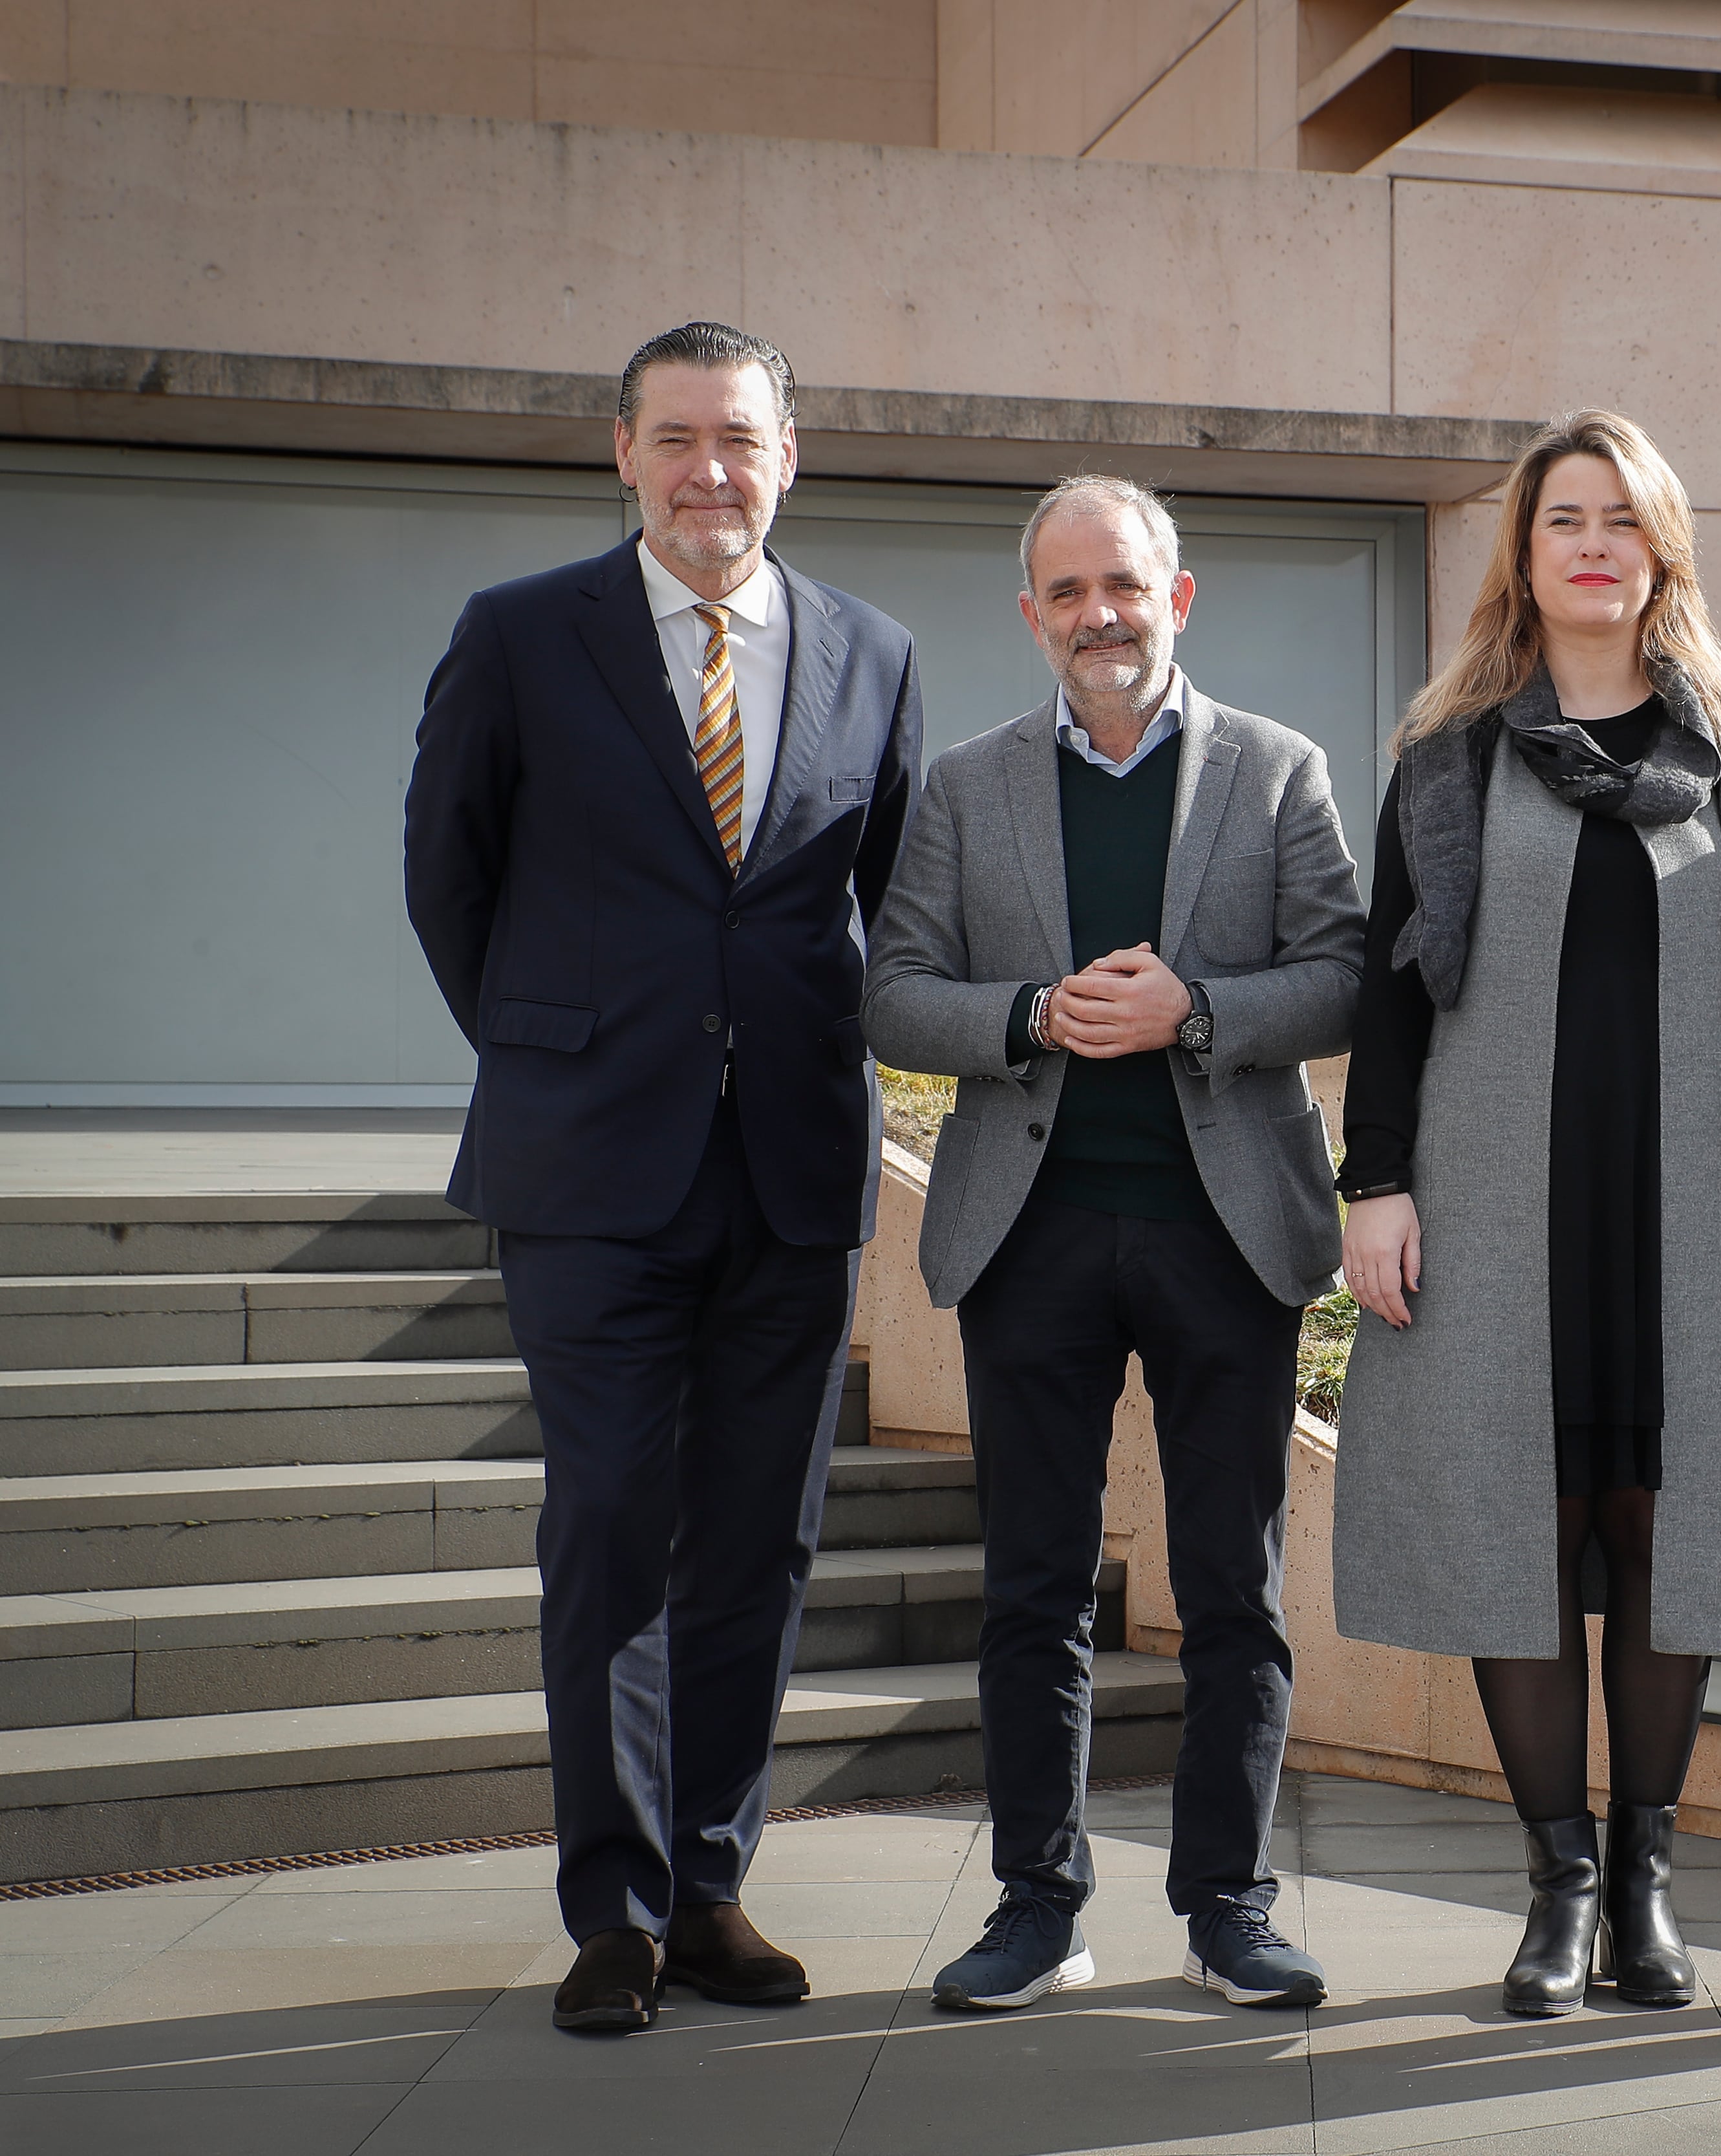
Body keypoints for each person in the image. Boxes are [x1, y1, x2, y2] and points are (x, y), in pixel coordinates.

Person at [404, 321, 923, 2034]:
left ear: (794, 456)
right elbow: (448, 877)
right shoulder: (520, 636)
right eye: (679, 435)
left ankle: (710, 1883)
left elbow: (897, 900)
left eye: (744, 437)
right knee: (614, 1512)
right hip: (589, 1165)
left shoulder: (875, 653)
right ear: (620, 452)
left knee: (759, 1541)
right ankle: (611, 1904)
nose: (714, 467)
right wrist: (564, 1043)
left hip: (790, 1161)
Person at [1329, 410, 1721, 2017]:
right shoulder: (1449, 760)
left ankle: (1646, 1878)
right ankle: (1555, 1884)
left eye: (1622, 520)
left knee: (1663, 1525)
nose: (1594, 545)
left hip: (1688, 1205)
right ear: (1526, 552)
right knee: (1520, 1524)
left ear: (1661, 551)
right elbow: (1392, 989)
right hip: (1500, 1209)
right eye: (1566, 518)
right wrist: (1377, 1182)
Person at [861, 475, 1363, 2014]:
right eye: (1069, 592)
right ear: (1034, 614)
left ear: (1179, 595)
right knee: (1033, 1584)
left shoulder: (1278, 772)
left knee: (1234, 1590)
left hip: (1228, 1230)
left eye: (1125, 586)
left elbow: (1345, 972)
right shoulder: (965, 784)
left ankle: (1228, 1905)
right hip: (1036, 1230)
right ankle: (1035, 1902)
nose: (1100, 615)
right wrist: (1027, 1016)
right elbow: (892, 988)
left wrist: (1194, 1009)